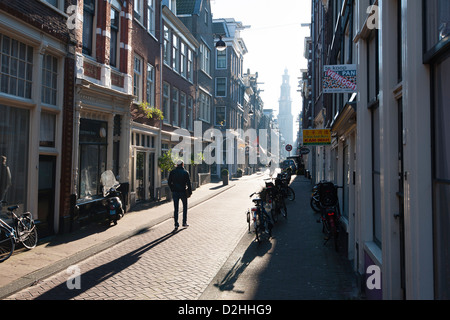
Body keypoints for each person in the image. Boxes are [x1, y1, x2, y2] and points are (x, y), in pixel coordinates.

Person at [168, 160, 192, 232]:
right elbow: (188, 183)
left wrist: (172, 189)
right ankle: (184, 222)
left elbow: (169, 182)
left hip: (175, 192)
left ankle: (176, 224)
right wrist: (190, 192)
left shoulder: (172, 172)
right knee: (185, 207)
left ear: (177, 165)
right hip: (183, 192)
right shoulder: (186, 172)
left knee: (176, 209)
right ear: (182, 164)